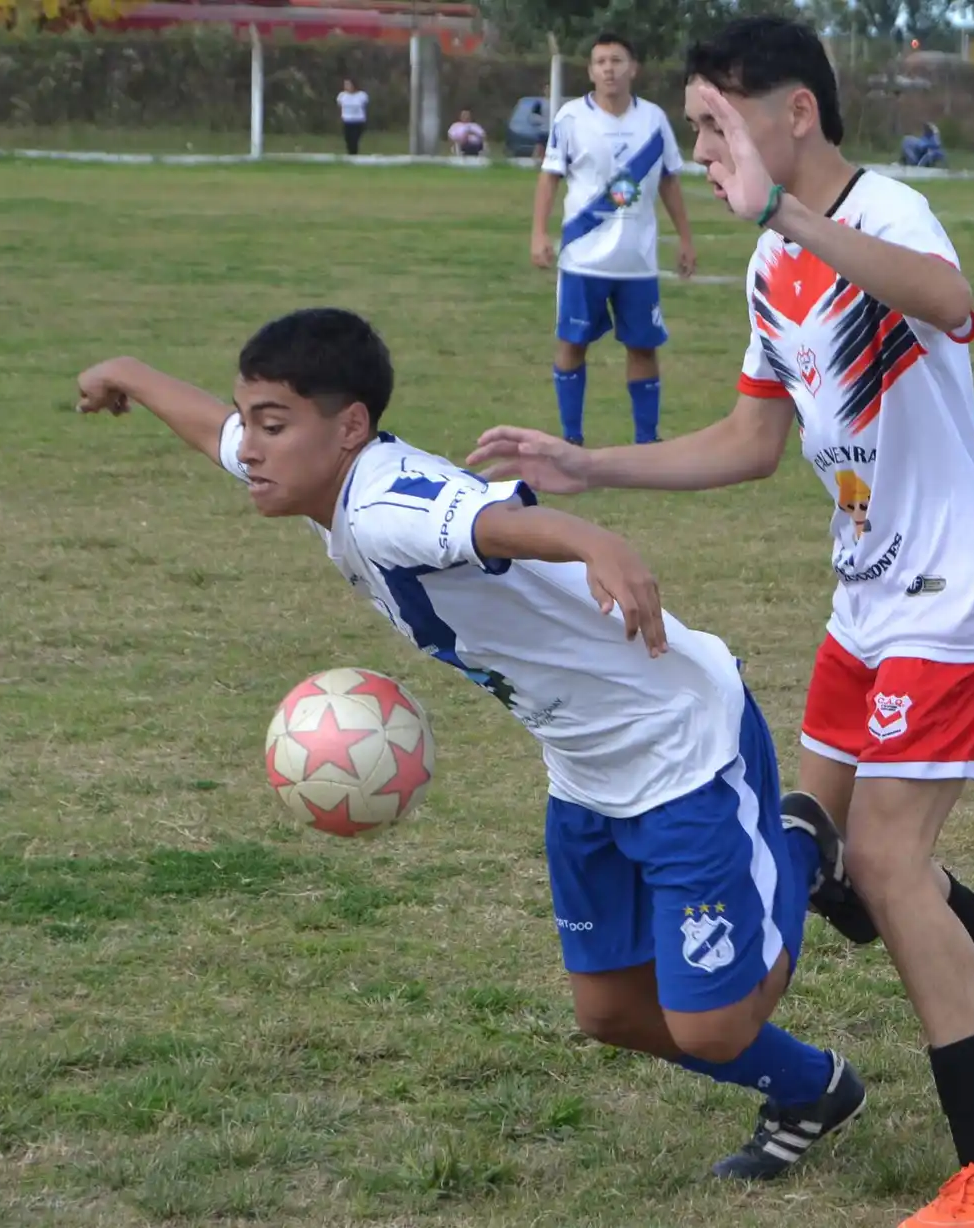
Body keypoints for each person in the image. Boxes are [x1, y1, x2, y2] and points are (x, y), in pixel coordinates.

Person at [472, 17, 974, 1228]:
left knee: (891, 863)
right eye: (693, 124)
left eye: (711, 121)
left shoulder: (884, 213)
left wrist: (782, 213)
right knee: (824, 849)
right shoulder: (770, 267)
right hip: (867, 596)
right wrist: (589, 464)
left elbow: (951, 302)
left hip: (952, 595)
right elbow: (753, 438)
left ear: (793, 112)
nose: (697, 145)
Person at [73, 307, 870, 1181]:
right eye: (249, 422)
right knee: (607, 1013)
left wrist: (593, 539)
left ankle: (801, 843)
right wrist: (130, 373)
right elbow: (217, 432)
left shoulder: (383, 504)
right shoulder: (317, 473)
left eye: (271, 426)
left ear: (349, 428)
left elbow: (490, 521)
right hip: (584, 765)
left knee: (713, 1026)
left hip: (679, 744)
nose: (249, 448)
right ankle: (813, 1090)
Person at [531, 32, 698, 448]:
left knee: (643, 347)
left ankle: (647, 440)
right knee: (572, 343)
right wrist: (538, 232)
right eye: (601, 61)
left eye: (617, 60)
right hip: (582, 258)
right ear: (590, 71)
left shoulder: (654, 120)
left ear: (633, 68)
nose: (609, 68)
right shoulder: (570, 118)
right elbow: (550, 177)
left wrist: (686, 239)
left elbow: (670, 182)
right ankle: (571, 438)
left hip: (636, 261)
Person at [337, 78, 369, 157]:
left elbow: (365, 105)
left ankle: (354, 155)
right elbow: (340, 105)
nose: (346, 86)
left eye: (348, 84)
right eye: (345, 85)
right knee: (348, 139)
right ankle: (350, 155)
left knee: (354, 140)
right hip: (347, 121)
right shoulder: (342, 96)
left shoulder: (362, 95)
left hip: (358, 121)